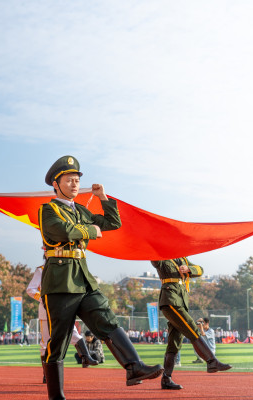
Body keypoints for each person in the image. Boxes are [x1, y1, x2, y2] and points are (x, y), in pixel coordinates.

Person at [39, 156, 163, 400]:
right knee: (59, 341)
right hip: (60, 282)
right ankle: (56, 396)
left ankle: (134, 366)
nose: (74, 184)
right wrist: (90, 231)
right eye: (69, 180)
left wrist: (103, 197)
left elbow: (112, 223)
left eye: (77, 180)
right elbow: (62, 231)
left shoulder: (81, 210)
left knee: (107, 319)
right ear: (56, 184)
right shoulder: (48, 210)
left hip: (83, 279)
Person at [151, 258, 231, 390]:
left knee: (175, 342)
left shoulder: (182, 259)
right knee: (193, 329)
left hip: (180, 302)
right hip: (170, 301)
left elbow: (200, 270)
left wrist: (188, 269)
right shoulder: (162, 258)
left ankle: (166, 378)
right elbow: (154, 259)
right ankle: (212, 361)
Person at [26, 265, 99, 384]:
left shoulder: (67, 267)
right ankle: (47, 375)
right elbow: (31, 289)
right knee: (46, 343)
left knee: (74, 333)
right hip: (47, 308)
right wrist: (43, 298)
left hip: (64, 307)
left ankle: (86, 357)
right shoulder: (42, 270)